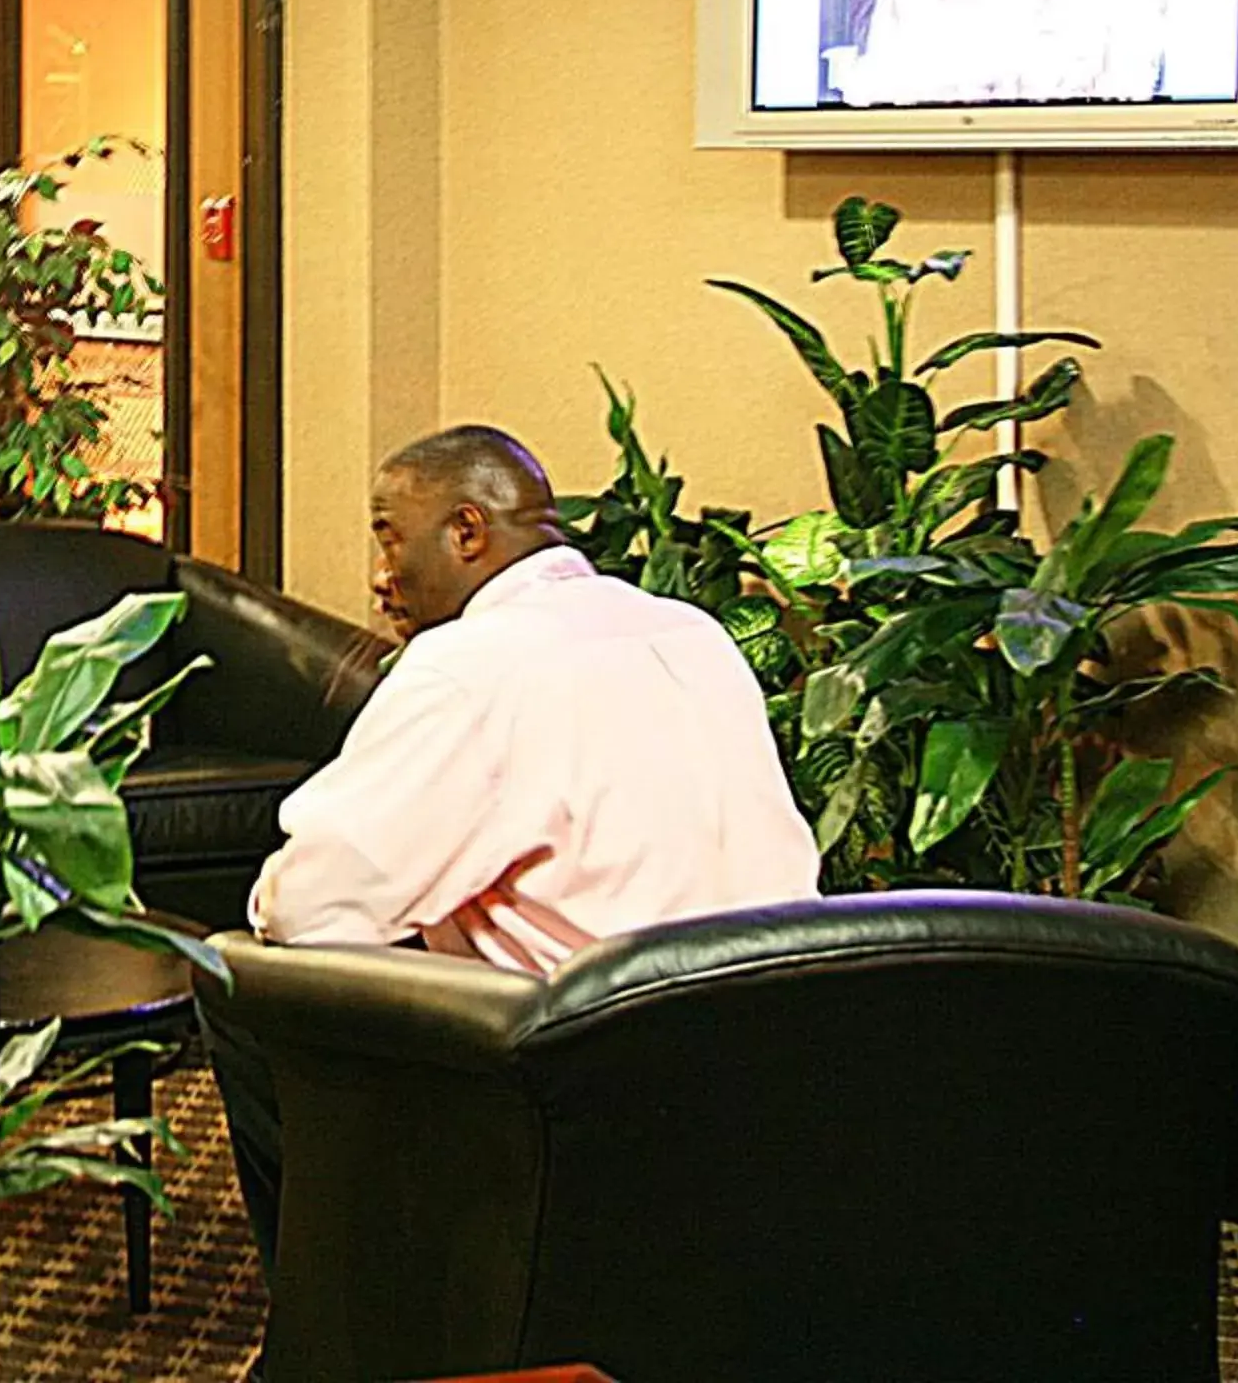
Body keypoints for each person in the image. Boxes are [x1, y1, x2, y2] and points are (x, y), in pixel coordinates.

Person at [202, 425, 819, 1267]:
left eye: (389, 536)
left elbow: (307, 908)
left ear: (466, 532)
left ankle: (343, 1320)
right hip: (779, 1051)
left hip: (589, 1076)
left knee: (239, 979)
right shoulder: (689, 632)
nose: (379, 578)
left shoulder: (468, 665)